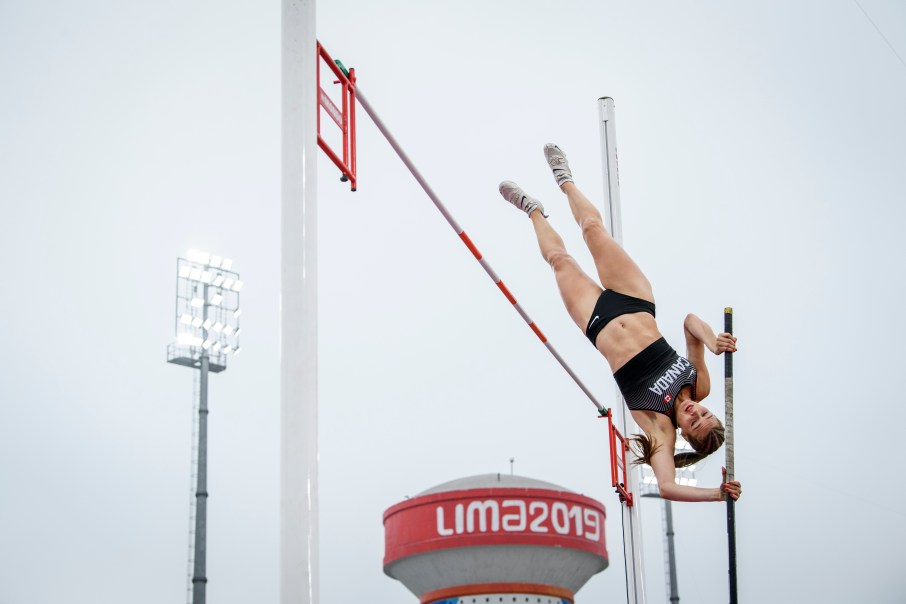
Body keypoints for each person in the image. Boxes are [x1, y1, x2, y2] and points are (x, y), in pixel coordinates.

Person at [498, 144, 741, 503]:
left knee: (559, 260)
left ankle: (533, 210)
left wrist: (717, 495)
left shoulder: (660, 432)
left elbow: (667, 486)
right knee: (594, 229)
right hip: (635, 298)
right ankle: (565, 180)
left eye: (693, 422)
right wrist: (712, 341)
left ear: (686, 436)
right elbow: (690, 322)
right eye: (704, 413)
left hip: (598, 324)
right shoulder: (698, 384)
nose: (694, 412)